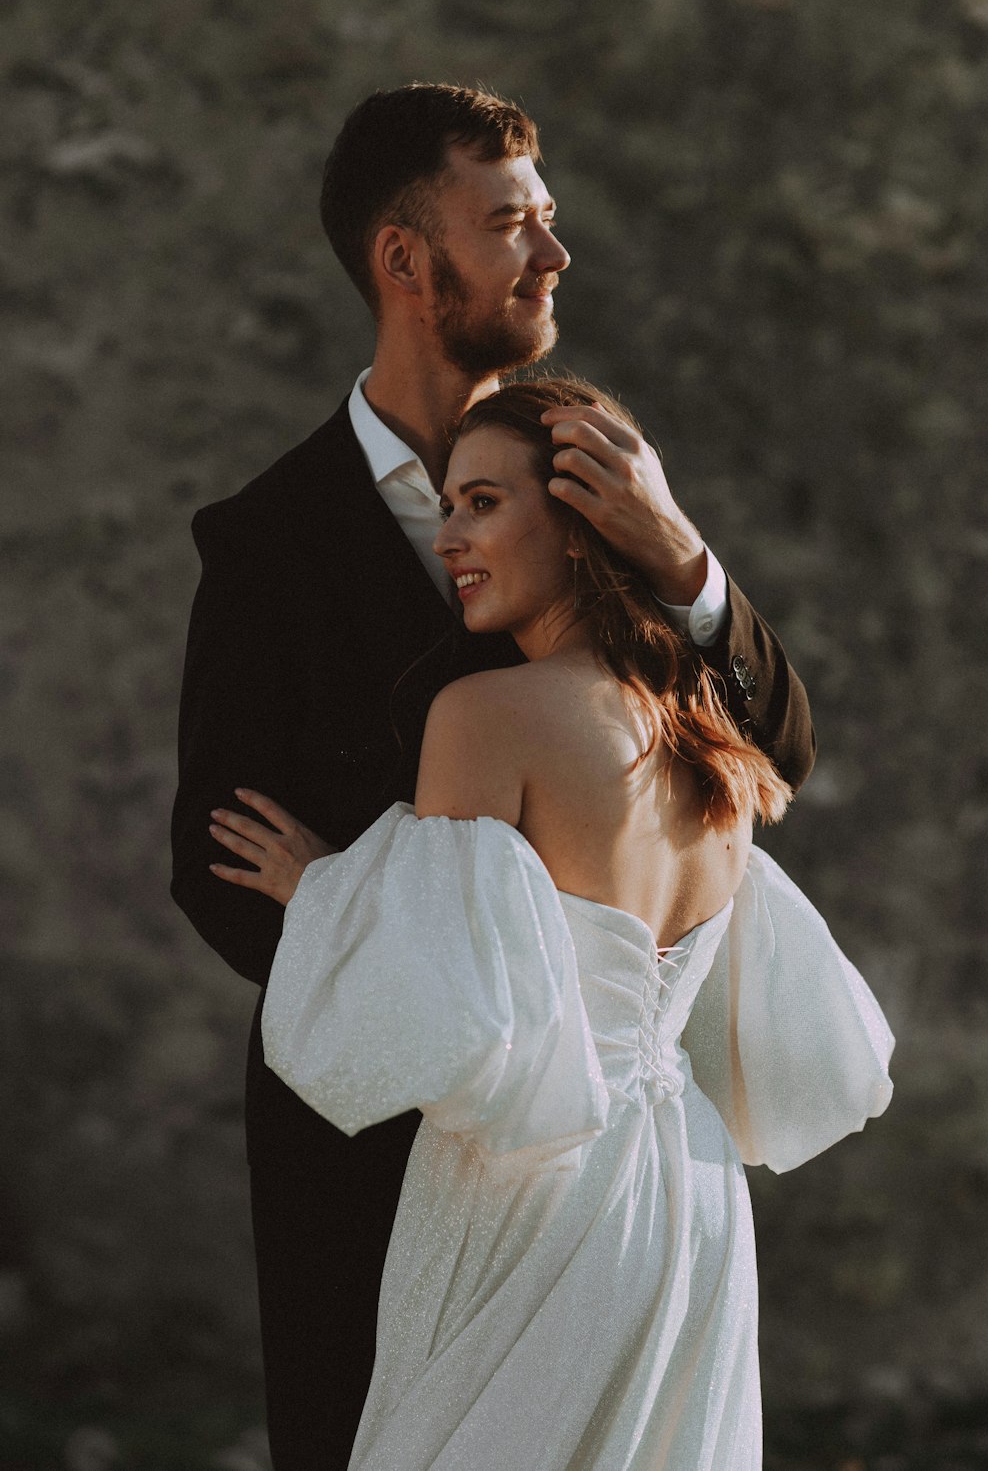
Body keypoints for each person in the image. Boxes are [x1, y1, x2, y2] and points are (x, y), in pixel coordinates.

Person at [170, 85, 815, 1469]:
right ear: (409, 263)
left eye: (550, 219)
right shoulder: (267, 544)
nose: (554, 255)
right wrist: (448, 1032)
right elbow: (217, 865)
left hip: (600, 1171)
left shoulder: (596, 478)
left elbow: (776, 751)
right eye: (513, 221)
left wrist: (686, 558)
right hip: (364, 1143)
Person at [208, 377, 893, 1471]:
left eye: (483, 502)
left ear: (577, 527)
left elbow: (445, 1011)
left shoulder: (483, 716)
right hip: (692, 1194)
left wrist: (321, 892)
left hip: (535, 1186)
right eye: (447, 505)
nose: (451, 537)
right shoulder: (714, 742)